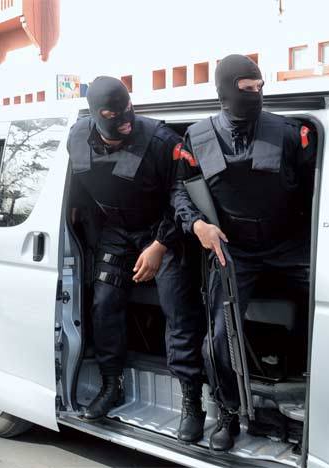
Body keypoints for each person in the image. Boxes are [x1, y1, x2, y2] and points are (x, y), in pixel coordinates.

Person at [171, 54, 329, 451]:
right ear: (224, 91)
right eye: (246, 89)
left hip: (290, 245)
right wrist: (197, 226)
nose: (255, 95)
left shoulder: (291, 132)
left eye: (260, 87)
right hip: (234, 250)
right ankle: (228, 412)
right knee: (219, 338)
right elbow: (179, 190)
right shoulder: (196, 137)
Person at [68, 76, 206, 442]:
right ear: (96, 115)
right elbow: (80, 191)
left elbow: (183, 198)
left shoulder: (161, 141)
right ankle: (111, 384)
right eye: (113, 114)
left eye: (128, 108)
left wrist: (159, 245)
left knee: (178, 309)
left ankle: (191, 400)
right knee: (103, 302)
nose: (125, 120)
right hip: (117, 229)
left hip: (164, 230)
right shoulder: (77, 137)